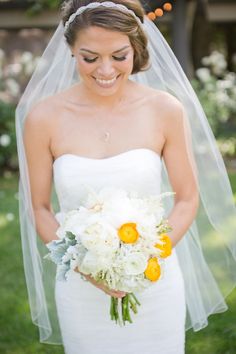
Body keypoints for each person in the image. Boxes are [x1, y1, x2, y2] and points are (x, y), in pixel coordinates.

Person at [15, 1, 236, 353]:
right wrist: (85, 264)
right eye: (90, 58)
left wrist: (148, 257)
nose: (105, 70)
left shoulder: (165, 109)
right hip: (80, 284)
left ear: (136, 47)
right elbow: (40, 207)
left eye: (119, 56)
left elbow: (187, 198)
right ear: (71, 50)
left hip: (154, 279)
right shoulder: (43, 118)